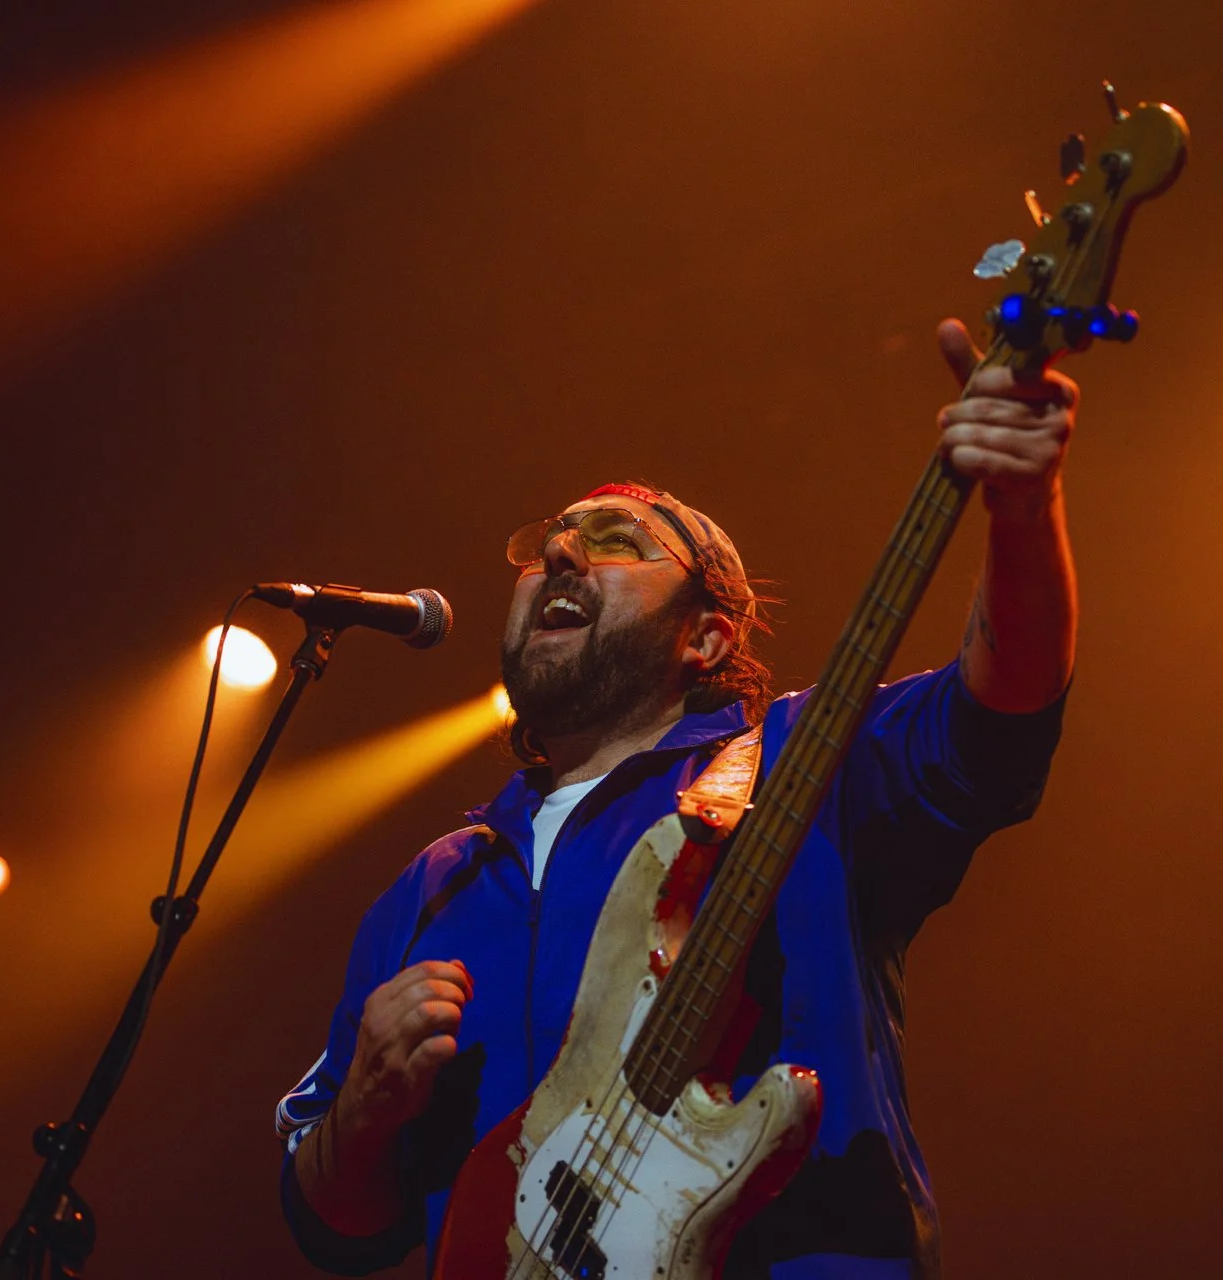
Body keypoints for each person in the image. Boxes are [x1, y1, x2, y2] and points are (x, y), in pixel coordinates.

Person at [274, 319, 1079, 1279]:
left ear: (704, 639)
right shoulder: (434, 889)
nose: (562, 557)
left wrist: (1023, 510)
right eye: (548, 548)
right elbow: (337, 1227)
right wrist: (363, 1110)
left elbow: (1004, 700)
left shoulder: (796, 761)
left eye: (614, 543)